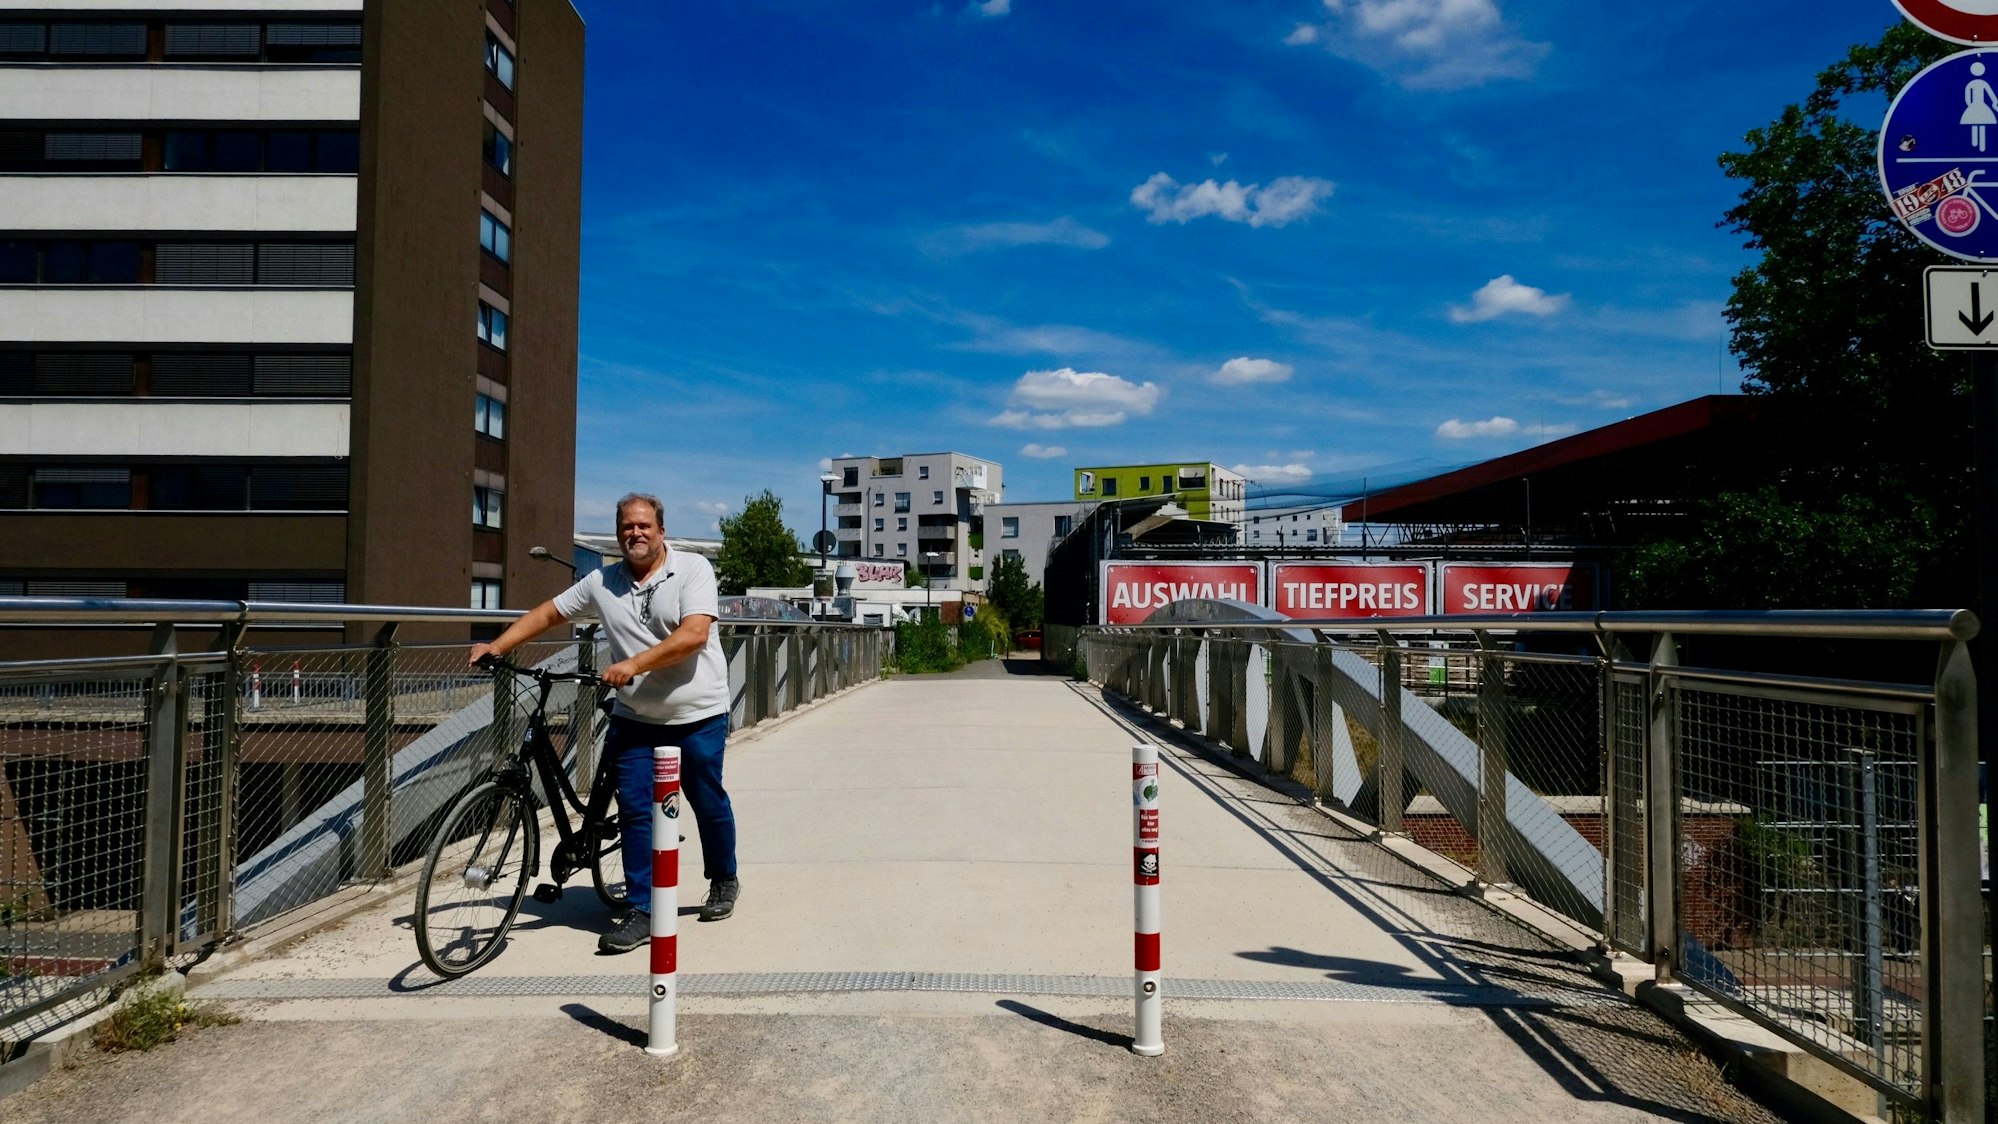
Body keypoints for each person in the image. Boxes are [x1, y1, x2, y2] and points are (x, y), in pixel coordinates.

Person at [469, 493, 739, 954]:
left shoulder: (693, 570)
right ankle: (642, 910)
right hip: (635, 716)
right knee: (635, 807)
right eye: (626, 527)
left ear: (661, 530)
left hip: (697, 713)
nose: (635, 534)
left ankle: (723, 878)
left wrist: (634, 664)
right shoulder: (602, 580)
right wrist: (500, 645)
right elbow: (550, 612)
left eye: (644, 526)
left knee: (703, 796)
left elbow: (694, 635)